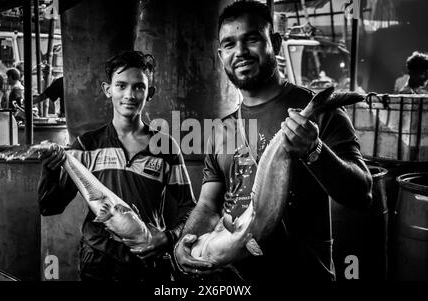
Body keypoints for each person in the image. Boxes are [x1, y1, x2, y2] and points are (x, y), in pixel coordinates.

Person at [174, 1, 372, 282]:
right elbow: (208, 206)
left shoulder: (318, 111)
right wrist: (187, 242)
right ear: (221, 55)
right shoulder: (220, 130)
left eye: (251, 39)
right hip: (235, 281)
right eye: (229, 44)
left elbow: (362, 195)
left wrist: (315, 151)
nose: (240, 52)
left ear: (275, 43)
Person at [37, 51, 196, 282]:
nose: (129, 95)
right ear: (107, 89)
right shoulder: (85, 146)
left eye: (138, 87)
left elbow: (188, 208)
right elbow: (50, 206)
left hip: (148, 260)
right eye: (121, 85)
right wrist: (50, 169)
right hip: (98, 260)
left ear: (149, 93)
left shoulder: (166, 147)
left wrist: (168, 238)